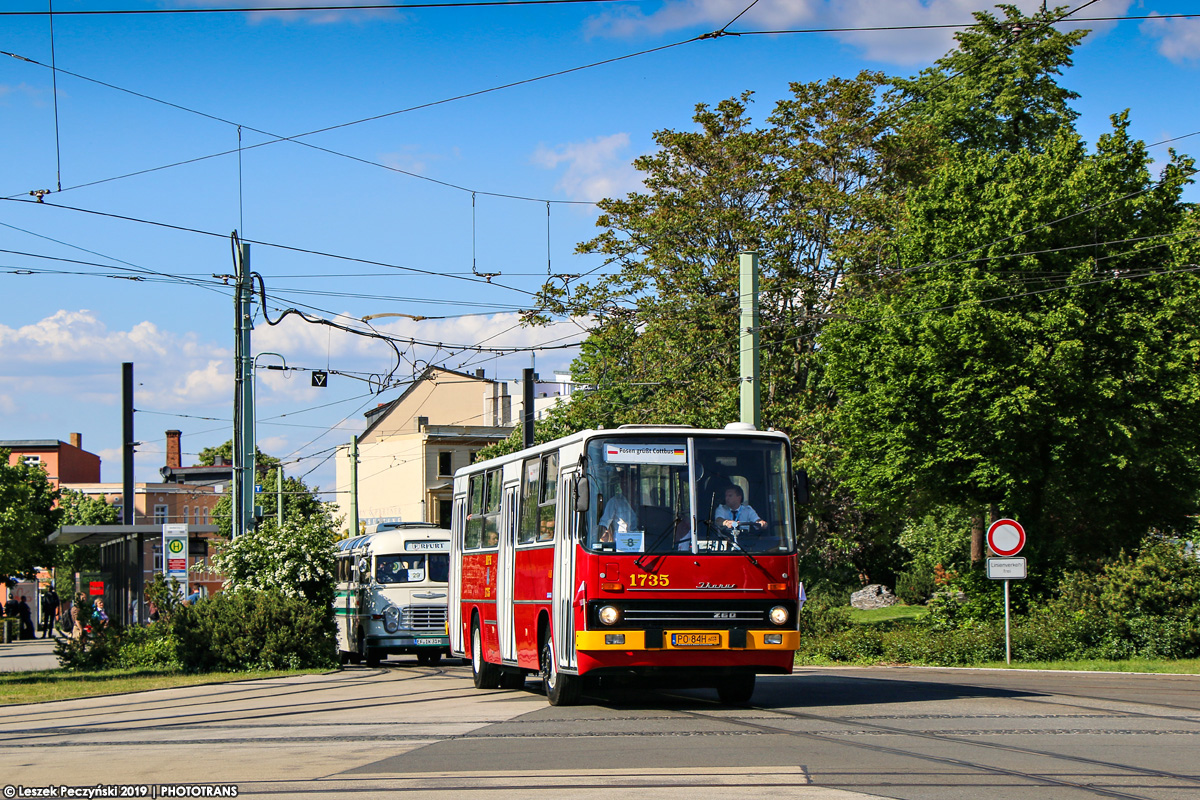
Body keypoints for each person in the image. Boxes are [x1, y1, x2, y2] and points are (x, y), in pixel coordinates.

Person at [597, 470, 638, 543]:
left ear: (634, 484)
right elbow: (604, 523)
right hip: (620, 546)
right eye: (623, 483)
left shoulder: (644, 499)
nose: (625, 486)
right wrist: (597, 538)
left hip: (644, 546)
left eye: (628, 483)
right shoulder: (614, 502)